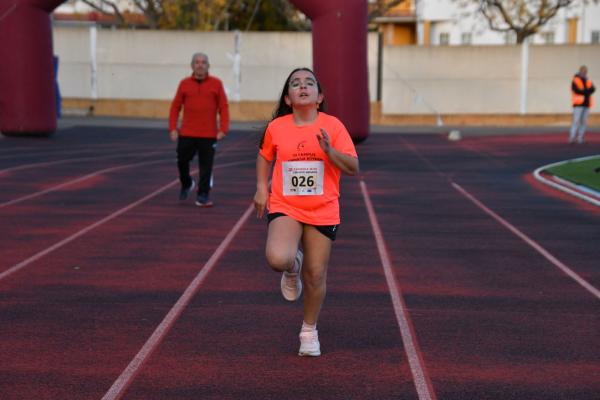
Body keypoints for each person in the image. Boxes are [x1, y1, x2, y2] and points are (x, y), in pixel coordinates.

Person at [253, 68, 359, 356]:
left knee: (315, 275)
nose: (303, 86)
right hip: (286, 204)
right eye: (295, 84)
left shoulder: (333, 127)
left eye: (309, 83)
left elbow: (353, 167)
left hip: (323, 208)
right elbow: (264, 156)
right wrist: (262, 188)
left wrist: (329, 151)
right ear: (288, 98)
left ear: (319, 96)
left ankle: (308, 330)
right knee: (277, 258)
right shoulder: (277, 127)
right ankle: (291, 267)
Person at [169, 52, 229, 206]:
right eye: (197, 62)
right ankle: (187, 182)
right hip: (187, 132)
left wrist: (223, 128)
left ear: (208, 66)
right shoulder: (184, 84)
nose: (200, 65)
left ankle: (203, 194)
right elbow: (175, 107)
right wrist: (173, 128)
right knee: (182, 160)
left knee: (206, 167)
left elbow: (223, 107)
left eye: (203, 62)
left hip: (208, 134)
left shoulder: (216, 83)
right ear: (192, 66)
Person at [569, 65, 595, 144]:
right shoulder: (575, 80)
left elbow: (593, 89)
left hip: (586, 104)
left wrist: (584, 90)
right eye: (583, 71)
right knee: (576, 121)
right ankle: (572, 137)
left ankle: (580, 137)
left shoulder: (587, 80)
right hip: (578, 104)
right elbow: (576, 90)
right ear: (580, 71)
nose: (584, 72)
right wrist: (586, 91)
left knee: (584, 121)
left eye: (585, 71)